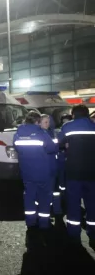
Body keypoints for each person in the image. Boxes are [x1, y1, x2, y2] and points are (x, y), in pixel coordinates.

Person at [13, 111, 59, 248]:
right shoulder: (41, 133)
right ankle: (44, 224)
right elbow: (52, 148)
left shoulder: (18, 133)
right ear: (37, 121)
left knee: (29, 197)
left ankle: (31, 223)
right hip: (43, 173)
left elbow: (16, 147)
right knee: (44, 198)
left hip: (26, 173)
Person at [59, 105, 95, 249]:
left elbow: (59, 144)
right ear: (87, 115)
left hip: (73, 172)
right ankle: (93, 232)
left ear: (73, 115)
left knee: (73, 204)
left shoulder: (68, 127)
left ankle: (74, 234)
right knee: (92, 203)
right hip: (92, 173)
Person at [39, 114, 62, 220]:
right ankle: (48, 211)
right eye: (45, 122)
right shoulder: (41, 134)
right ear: (39, 123)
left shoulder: (52, 133)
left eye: (48, 122)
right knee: (48, 191)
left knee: (55, 190)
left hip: (54, 165)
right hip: (47, 166)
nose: (48, 124)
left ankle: (57, 210)